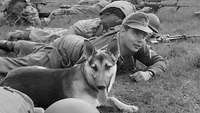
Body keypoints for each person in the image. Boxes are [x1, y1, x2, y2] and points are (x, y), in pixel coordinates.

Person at [0, 12, 166, 83]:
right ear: (123, 30)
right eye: (136, 33)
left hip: (76, 41)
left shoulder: (140, 45)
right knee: (25, 66)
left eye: (144, 35)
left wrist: (148, 73)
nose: (141, 39)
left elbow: (160, 61)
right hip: (63, 51)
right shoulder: (103, 50)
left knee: (40, 47)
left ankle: (9, 44)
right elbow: (76, 75)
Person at [7, 0, 136, 42]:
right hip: (78, 34)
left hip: (82, 31)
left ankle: (24, 34)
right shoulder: (94, 21)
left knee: (55, 33)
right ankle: (22, 35)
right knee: (56, 37)